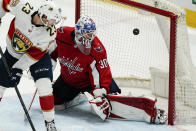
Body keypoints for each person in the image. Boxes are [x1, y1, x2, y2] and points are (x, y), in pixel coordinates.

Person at [49, 15, 167, 124]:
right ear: (77, 33)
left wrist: (100, 92)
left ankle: (150, 113)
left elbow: (102, 73)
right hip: (69, 81)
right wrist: (44, 67)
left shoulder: (97, 50)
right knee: (53, 103)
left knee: (104, 107)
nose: (87, 42)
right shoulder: (61, 35)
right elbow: (49, 53)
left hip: (91, 83)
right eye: (84, 37)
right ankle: (77, 97)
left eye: (90, 36)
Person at [0, 0, 62, 130]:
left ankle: (50, 123)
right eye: (51, 20)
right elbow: (3, 2)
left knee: (44, 85)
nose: (53, 24)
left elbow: (34, 55)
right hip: (13, 52)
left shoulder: (50, 33)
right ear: (43, 16)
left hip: (37, 56)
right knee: (1, 84)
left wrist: (18, 68)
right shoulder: (23, 8)